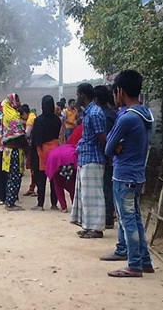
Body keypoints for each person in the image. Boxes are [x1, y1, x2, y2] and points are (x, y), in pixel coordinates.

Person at [102, 70, 155, 277]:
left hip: (124, 175)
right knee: (136, 218)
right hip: (138, 173)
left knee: (127, 221)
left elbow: (108, 147)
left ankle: (134, 265)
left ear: (121, 91)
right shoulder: (145, 114)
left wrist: (117, 146)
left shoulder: (127, 118)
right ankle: (145, 261)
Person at [72, 84, 108, 238]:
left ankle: (96, 228)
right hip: (86, 157)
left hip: (93, 158)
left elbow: (102, 137)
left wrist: (106, 155)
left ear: (83, 95)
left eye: (78, 94)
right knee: (86, 196)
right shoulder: (89, 113)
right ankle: (88, 226)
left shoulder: (94, 113)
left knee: (94, 195)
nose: (76, 98)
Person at [30, 95, 62, 211]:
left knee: (41, 179)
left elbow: (35, 138)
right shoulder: (57, 120)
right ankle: (54, 204)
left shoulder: (38, 120)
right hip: (55, 150)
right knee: (54, 179)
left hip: (42, 151)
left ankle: (40, 204)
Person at [94, 86, 118, 229]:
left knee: (106, 187)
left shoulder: (104, 115)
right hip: (109, 156)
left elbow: (106, 139)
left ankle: (108, 218)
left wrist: (107, 155)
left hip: (106, 157)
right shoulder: (111, 113)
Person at [0, 93, 28, 211]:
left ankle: (9, 201)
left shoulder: (5, 115)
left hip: (8, 151)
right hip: (14, 151)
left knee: (11, 177)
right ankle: (10, 203)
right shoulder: (14, 117)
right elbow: (20, 135)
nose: (19, 102)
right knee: (15, 177)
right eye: (17, 100)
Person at [46, 125, 82, 212]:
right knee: (72, 185)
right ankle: (74, 205)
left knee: (58, 185)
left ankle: (63, 207)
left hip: (56, 163)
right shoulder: (73, 148)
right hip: (70, 162)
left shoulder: (54, 151)